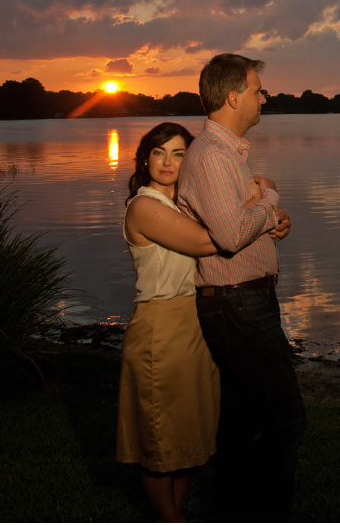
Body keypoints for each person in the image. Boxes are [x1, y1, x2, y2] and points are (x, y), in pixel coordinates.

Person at [177, 53, 305, 522]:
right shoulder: (212, 155)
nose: (263, 97)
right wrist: (269, 204)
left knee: (242, 422)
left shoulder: (227, 154)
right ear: (234, 97)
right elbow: (231, 235)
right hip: (237, 302)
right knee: (284, 418)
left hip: (243, 300)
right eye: (258, 90)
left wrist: (270, 219)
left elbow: (237, 223)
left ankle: (232, 511)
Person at [115, 122, 223, 522]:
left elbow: (252, 188)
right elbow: (207, 242)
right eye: (159, 152)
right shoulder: (144, 207)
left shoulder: (189, 203)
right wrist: (261, 217)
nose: (168, 161)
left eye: (179, 153)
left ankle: (173, 513)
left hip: (196, 327)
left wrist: (275, 205)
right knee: (161, 440)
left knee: (192, 437)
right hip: (160, 327)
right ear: (146, 158)